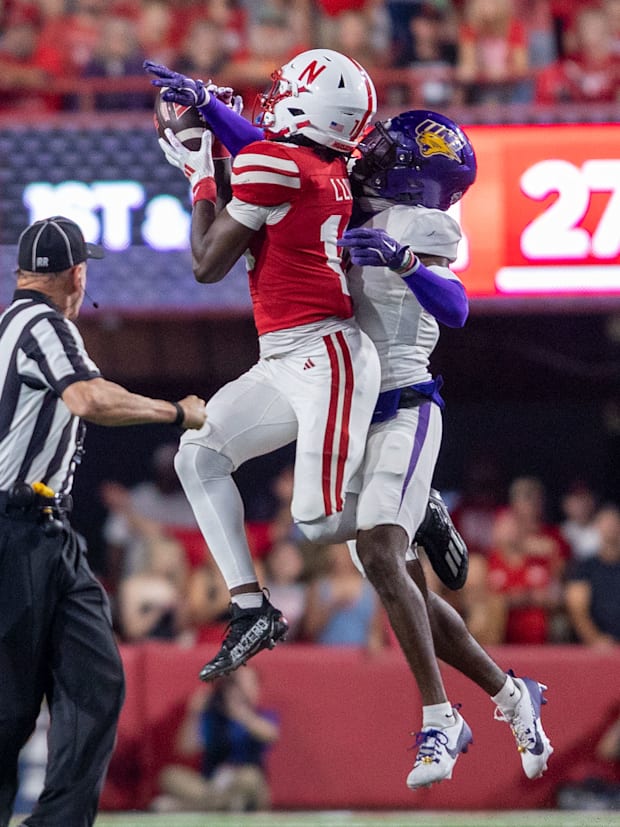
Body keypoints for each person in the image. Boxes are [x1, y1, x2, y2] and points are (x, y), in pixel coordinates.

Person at [153, 91, 555, 789]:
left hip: (404, 405)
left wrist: (403, 263)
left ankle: (439, 717)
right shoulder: (343, 188)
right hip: (347, 404)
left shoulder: (425, 223)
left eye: (387, 153)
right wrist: (211, 110)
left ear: (414, 174)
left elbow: (458, 307)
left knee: (376, 550)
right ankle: (512, 694)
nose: (369, 154)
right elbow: (281, 154)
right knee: (396, 578)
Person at [145, 49, 382, 682]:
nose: (271, 99)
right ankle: (251, 608)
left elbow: (206, 264)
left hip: (326, 353)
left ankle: (412, 499)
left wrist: (200, 173)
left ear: (310, 104)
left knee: (321, 519)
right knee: (198, 455)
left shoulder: (278, 163)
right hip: (284, 355)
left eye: (285, 89)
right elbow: (261, 166)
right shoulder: (320, 159)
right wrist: (212, 115)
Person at [0, 215, 206, 827]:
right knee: (12, 707)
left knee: (96, 680)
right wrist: (176, 412)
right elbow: (89, 398)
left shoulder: (13, 326)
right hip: (17, 530)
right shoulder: (43, 323)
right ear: (76, 275)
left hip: (46, 528)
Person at [154, 666, 279, 813]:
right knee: (169, 776)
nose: (238, 691)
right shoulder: (213, 718)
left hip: (244, 786)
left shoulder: (262, 715)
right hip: (212, 785)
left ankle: (190, 807)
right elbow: (185, 749)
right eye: (234, 685)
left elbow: (271, 735)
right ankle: (224, 806)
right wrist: (194, 713)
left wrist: (240, 713)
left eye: (243, 685)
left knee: (250, 777)